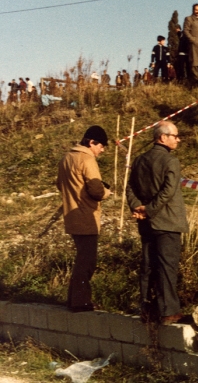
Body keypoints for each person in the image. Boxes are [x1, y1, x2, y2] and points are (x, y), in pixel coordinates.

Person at [127, 122, 189, 325]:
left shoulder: (139, 160)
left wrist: (138, 207)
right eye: (175, 136)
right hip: (167, 221)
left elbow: (130, 188)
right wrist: (150, 208)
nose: (177, 139)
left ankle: (146, 308)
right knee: (167, 266)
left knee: (147, 265)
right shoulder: (171, 161)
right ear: (163, 137)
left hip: (146, 223)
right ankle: (169, 312)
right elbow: (168, 191)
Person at [57, 125, 112, 312]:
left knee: (82, 259)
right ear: (91, 142)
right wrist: (107, 192)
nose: (102, 150)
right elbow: (96, 191)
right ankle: (80, 302)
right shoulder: (87, 159)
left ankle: (73, 300)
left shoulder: (66, 157)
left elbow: (59, 184)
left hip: (70, 215)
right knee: (87, 262)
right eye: (101, 145)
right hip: (86, 216)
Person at [183, 3, 198, 87]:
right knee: (194, 65)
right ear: (193, 10)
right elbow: (185, 31)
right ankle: (196, 84)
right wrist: (193, 40)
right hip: (193, 46)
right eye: (196, 10)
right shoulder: (189, 19)